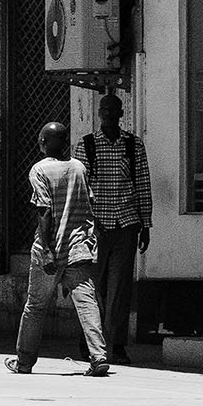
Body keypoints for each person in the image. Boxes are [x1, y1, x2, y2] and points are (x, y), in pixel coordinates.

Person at [6, 120, 112, 377]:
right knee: (87, 302)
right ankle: (98, 356)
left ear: (43, 143)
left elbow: (44, 212)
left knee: (35, 306)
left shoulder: (39, 170)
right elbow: (90, 204)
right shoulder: (79, 167)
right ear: (66, 143)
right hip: (79, 247)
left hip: (51, 248)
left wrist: (46, 249)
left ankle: (24, 362)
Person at [78, 89, 154, 352]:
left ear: (122, 114)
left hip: (126, 224)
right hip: (96, 228)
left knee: (120, 290)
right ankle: (90, 343)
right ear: (99, 114)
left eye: (114, 110)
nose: (110, 115)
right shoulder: (86, 145)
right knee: (92, 287)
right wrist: (84, 225)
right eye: (105, 110)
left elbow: (143, 184)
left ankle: (118, 345)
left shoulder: (133, 145)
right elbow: (80, 189)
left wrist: (146, 224)